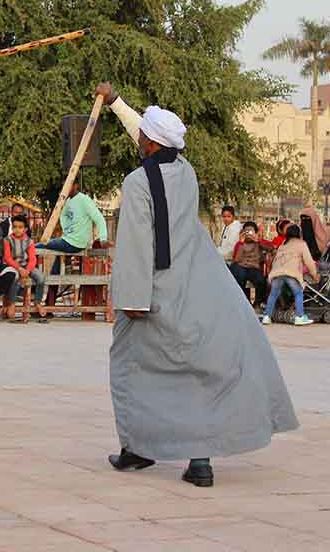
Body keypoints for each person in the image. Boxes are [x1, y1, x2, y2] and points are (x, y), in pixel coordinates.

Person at [94, 83, 298, 487]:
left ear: (150, 143)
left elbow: (136, 243)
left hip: (154, 289)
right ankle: (199, 460)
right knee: (196, 374)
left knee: (131, 368)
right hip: (200, 285)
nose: (138, 139)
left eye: (143, 137)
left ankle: (137, 448)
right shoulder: (186, 172)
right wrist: (117, 102)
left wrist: (130, 300)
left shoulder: (138, 183)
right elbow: (151, 132)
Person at [37, 178, 108, 275]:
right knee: (57, 259)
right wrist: (67, 229)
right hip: (68, 239)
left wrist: (103, 238)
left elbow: (99, 219)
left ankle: (39, 280)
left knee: (38, 246)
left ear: (76, 186)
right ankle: (52, 288)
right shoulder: (68, 201)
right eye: (63, 186)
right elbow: (63, 217)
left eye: (67, 186)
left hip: (76, 242)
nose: (64, 189)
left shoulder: (84, 200)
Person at [261, 225, 317, 326]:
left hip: (277, 272)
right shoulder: (301, 244)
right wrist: (314, 274)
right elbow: (309, 261)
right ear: (299, 233)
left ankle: (267, 316)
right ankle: (299, 317)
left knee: (273, 294)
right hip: (291, 273)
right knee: (298, 293)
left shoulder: (283, 244)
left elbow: (275, 260)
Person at [3, 214, 47, 323]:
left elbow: (32, 259)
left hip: (27, 266)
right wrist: (19, 269)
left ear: (25, 229)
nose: (17, 229)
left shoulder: (29, 241)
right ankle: (12, 303)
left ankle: (37, 302)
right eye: (15, 227)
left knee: (41, 278)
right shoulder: (7, 240)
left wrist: (27, 270)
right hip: (13, 266)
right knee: (15, 277)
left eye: (20, 227)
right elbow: (8, 258)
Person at [229, 221, 270, 307]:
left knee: (261, 280)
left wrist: (257, 240)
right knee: (239, 275)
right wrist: (241, 243)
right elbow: (236, 259)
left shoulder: (259, 242)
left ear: (255, 232)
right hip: (240, 266)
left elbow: (271, 248)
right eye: (246, 231)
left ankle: (258, 303)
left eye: (251, 231)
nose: (248, 234)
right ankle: (244, 302)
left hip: (253, 267)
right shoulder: (239, 243)